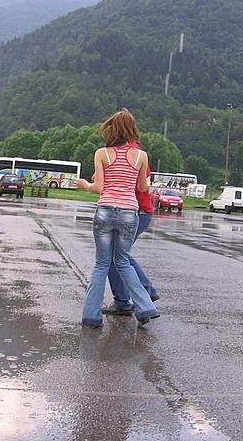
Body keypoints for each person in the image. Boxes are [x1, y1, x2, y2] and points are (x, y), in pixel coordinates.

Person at [76, 108, 159, 328]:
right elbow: (142, 187)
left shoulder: (101, 153)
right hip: (129, 212)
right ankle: (146, 307)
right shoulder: (141, 156)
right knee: (123, 262)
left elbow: (100, 187)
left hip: (105, 211)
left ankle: (92, 317)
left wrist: (85, 185)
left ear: (112, 130)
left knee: (102, 264)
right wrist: (148, 183)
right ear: (132, 129)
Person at [102, 139, 159, 317]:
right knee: (119, 256)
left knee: (116, 257)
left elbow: (131, 185)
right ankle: (143, 293)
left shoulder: (130, 154)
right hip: (138, 211)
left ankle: (126, 301)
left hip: (136, 211)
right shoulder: (134, 152)